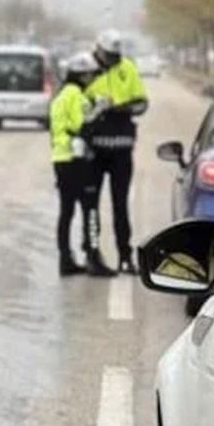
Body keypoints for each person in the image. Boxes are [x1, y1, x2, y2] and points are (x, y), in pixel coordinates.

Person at [85, 29, 149, 274]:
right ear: (98, 49)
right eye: (108, 55)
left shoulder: (127, 68)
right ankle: (92, 254)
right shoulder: (86, 70)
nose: (112, 60)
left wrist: (120, 108)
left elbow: (142, 102)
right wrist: (95, 108)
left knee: (120, 205)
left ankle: (125, 256)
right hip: (93, 152)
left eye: (115, 55)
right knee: (91, 206)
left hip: (121, 150)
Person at [51, 51, 114, 277]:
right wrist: (100, 108)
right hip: (77, 160)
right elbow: (83, 125)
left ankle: (65, 259)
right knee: (90, 209)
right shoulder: (76, 95)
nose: (91, 80)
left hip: (60, 159)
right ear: (80, 75)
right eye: (89, 76)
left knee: (66, 212)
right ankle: (93, 257)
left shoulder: (60, 96)